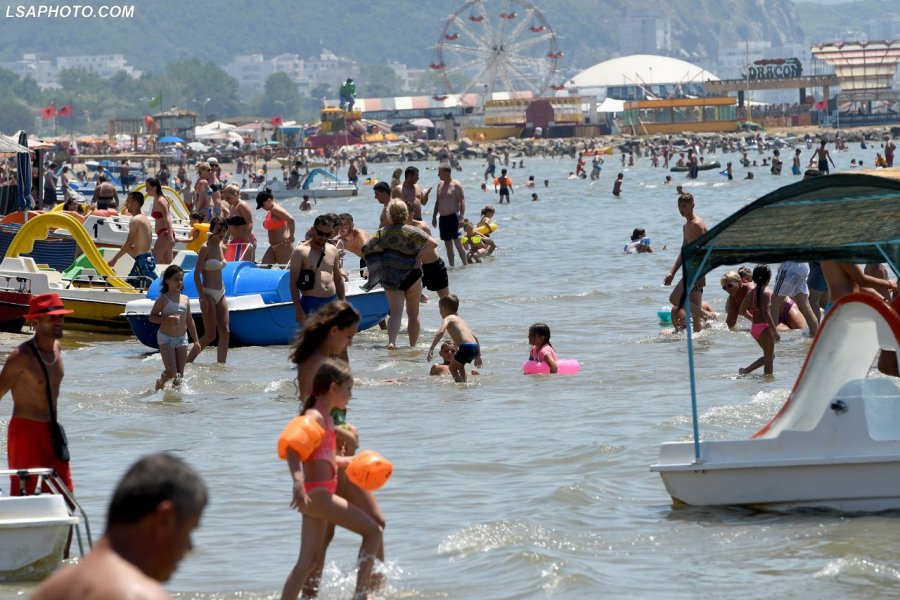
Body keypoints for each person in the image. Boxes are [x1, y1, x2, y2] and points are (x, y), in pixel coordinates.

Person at [288, 303, 387, 597]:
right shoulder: (319, 363)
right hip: (330, 456)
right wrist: (344, 432)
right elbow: (311, 415)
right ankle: (367, 594)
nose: (349, 342)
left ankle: (310, 595)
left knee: (324, 537)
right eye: (348, 336)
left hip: (327, 453)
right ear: (333, 331)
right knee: (375, 524)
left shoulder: (315, 359)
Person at [32, 453, 207, 600]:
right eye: (189, 531)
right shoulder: (139, 595)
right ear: (165, 520)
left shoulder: (48, 591)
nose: (189, 547)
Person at [0, 293, 73, 497]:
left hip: (52, 432)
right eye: (52, 318)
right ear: (36, 322)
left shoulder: (57, 350)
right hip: (25, 433)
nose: (59, 322)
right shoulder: (21, 357)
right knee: (24, 496)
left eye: (61, 316)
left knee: (65, 496)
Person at [363, 200, 440, 349]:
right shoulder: (413, 231)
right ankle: (412, 346)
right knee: (413, 313)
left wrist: (379, 264)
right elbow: (433, 244)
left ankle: (392, 342)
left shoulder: (382, 232)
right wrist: (418, 256)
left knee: (396, 312)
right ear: (406, 214)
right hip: (413, 275)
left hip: (391, 277)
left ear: (389, 215)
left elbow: (366, 248)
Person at [664, 193, 711, 332]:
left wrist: (702, 274)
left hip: (696, 270)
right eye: (679, 206)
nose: (681, 209)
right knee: (695, 316)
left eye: (684, 206)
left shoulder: (697, 225)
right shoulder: (686, 226)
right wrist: (672, 272)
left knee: (674, 299)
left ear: (693, 205)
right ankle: (700, 346)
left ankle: (708, 316)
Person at [187, 217, 230, 364]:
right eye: (219, 230)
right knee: (210, 334)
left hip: (221, 291)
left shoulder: (222, 246)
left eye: (224, 230)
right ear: (212, 230)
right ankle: (186, 362)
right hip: (207, 293)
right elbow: (196, 274)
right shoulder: (205, 247)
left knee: (226, 331)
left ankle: (221, 367)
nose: (222, 233)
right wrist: (202, 297)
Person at [149, 265, 200, 390]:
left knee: (179, 376)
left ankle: (175, 403)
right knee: (172, 373)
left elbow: (189, 320)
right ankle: (161, 380)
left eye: (181, 279)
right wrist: (166, 319)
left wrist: (197, 341)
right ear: (167, 280)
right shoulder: (163, 299)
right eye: (176, 279)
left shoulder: (185, 299)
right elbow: (152, 317)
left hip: (182, 339)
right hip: (166, 338)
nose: (179, 282)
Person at [290, 214, 345, 325]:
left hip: (331, 301)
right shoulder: (300, 252)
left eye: (328, 234)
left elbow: (338, 279)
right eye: (320, 233)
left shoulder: (333, 250)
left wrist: (343, 303)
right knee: (314, 340)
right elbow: (293, 283)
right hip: (310, 302)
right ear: (313, 230)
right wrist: (299, 310)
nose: (324, 237)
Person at [426, 294, 482, 383]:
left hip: (465, 347)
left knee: (452, 369)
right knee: (460, 366)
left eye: (440, 309)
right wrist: (478, 356)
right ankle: (465, 383)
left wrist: (431, 348)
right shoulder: (461, 320)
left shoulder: (448, 318)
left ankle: (461, 386)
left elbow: (440, 332)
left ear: (443, 308)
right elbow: (475, 337)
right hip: (474, 346)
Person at [108, 191, 157, 290]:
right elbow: (139, 245)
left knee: (152, 288)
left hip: (143, 261)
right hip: (145, 259)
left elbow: (129, 244)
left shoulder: (135, 220)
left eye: (128, 201)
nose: (126, 204)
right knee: (129, 286)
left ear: (135, 203)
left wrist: (115, 259)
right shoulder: (144, 218)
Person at [738, 265, 780, 376]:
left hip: (755, 329)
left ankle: (745, 371)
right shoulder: (766, 293)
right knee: (769, 359)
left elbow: (741, 311)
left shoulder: (750, 293)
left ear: (754, 278)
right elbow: (766, 313)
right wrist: (774, 331)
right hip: (764, 328)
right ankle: (767, 382)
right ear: (768, 279)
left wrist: (754, 320)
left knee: (770, 356)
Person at [770, 262, 819, 337]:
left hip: (790, 266)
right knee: (805, 306)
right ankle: (816, 334)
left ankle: (771, 336)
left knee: (774, 304)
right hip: (804, 266)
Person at [432, 163, 467, 267]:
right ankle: (452, 266)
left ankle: (465, 265)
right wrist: (434, 217)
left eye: (440, 172)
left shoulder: (456, 185)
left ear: (446, 172)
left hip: (453, 217)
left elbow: (462, 201)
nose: (438, 174)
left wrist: (461, 217)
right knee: (448, 245)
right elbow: (437, 202)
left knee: (457, 243)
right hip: (443, 218)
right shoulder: (439, 185)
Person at [255, 189, 296, 264]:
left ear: (269, 200)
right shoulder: (271, 211)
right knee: (264, 268)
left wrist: (292, 236)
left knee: (287, 271)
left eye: (263, 205)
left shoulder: (275, 209)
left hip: (283, 246)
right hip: (273, 247)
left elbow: (291, 219)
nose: (262, 207)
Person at [223, 183, 256, 261]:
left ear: (235, 195)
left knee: (245, 265)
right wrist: (226, 237)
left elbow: (250, 222)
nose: (226, 201)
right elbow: (231, 224)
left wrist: (246, 239)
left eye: (228, 198)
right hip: (235, 241)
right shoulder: (232, 206)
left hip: (246, 240)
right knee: (229, 263)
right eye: (225, 199)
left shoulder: (242, 205)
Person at [146, 177, 175, 265]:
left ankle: (150, 279)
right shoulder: (156, 199)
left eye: (148, 188)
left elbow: (168, 218)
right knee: (168, 265)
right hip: (164, 234)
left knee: (153, 262)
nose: (146, 190)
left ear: (155, 187)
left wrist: (170, 236)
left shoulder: (160, 201)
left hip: (165, 234)